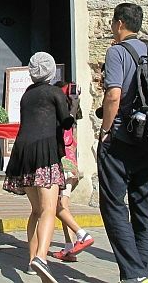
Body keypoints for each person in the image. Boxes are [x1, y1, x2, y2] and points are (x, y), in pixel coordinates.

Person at [98, 3, 148, 283]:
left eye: (113, 23)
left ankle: (135, 274)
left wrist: (105, 130)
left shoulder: (116, 51)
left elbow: (113, 95)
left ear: (120, 23)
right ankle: (140, 272)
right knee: (143, 204)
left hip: (123, 138)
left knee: (112, 204)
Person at [3, 52, 73, 282]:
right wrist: (73, 105)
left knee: (35, 210)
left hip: (23, 153)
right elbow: (66, 122)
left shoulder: (26, 95)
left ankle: (32, 258)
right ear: (51, 71)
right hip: (45, 153)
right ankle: (42, 257)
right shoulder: (54, 92)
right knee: (49, 210)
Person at [52, 81, 94, 263]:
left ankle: (82, 235)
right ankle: (69, 248)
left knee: (57, 206)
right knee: (63, 206)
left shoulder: (59, 114)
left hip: (61, 163)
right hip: (72, 163)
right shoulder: (73, 112)